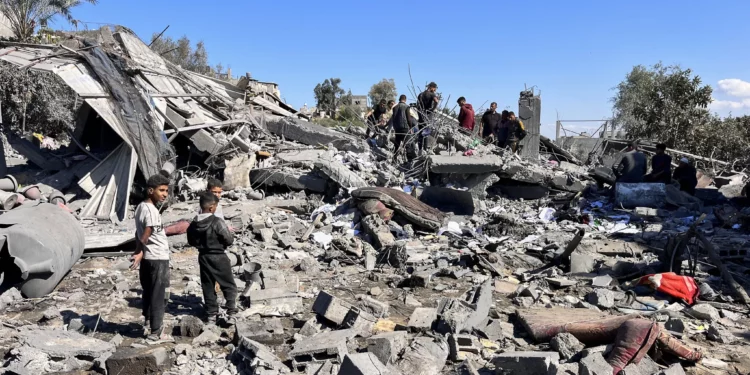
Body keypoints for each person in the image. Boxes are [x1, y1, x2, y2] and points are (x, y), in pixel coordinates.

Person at [131, 174, 173, 342]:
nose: (164, 194)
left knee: (148, 291)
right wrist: (140, 248)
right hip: (158, 257)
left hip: (149, 258)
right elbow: (147, 231)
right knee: (158, 294)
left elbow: (138, 233)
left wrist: (139, 251)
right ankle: (156, 332)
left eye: (167, 191)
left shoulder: (140, 207)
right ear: (150, 190)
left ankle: (148, 323)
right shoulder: (151, 210)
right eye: (161, 190)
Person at [187, 192, 237, 323]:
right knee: (228, 285)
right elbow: (229, 239)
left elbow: (191, 241)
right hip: (219, 256)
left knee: (207, 286)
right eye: (215, 207)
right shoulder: (217, 222)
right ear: (211, 207)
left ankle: (211, 315)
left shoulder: (193, 224)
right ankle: (232, 312)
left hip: (203, 257)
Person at [390, 94, 416, 160]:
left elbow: (394, 117)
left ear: (399, 99)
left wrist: (395, 126)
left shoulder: (394, 107)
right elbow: (408, 118)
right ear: (405, 99)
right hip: (405, 127)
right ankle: (409, 160)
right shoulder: (406, 107)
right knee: (407, 144)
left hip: (397, 128)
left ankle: (394, 158)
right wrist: (410, 127)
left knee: (397, 144)